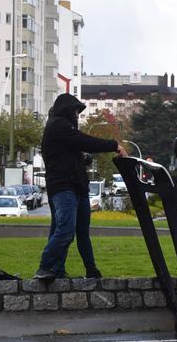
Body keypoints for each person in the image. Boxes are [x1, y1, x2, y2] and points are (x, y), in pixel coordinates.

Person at [34, 94, 128, 282]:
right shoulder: (58, 126)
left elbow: (70, 151)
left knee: (76, 232)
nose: (77, 115)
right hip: (64, 187)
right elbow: (84, 141)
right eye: (76, 111)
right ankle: (46, 266)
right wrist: (114, 145)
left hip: (76, 186)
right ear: (67, 110)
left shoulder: (62, 129)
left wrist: (83, 159)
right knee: (66, 230)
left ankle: (79, 270)